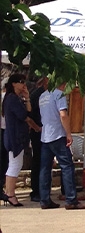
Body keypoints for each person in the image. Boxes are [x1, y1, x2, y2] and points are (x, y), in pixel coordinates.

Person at [39, 83, 85, 210]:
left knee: (45, 168)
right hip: (57, 135)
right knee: (67, 166)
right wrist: (68, 133)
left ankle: (44, 199)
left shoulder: (43, 96)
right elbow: (63, 115)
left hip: (45, 135)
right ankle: (71, 200)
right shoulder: (59, 94)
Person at [4, 74, 40, 207]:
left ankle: (9, 193)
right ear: (13, 84)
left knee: (15, 164)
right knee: (14, 165)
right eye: (20, 82)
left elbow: (28, 112)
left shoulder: (16, 98)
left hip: (17, 135)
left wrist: (27, 98)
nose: (23, 84)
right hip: (15, 136)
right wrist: (36, 128)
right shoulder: (12, 99)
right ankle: (10, 194)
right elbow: (26, 117)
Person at [27, 76, 48, 203]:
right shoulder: (37, 95)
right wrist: (37, 128)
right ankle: (36, 191)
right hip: (38, 132)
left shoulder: (43, 94)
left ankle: (41, 190)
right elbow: (30, 116)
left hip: (43, 131)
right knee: (38, 161)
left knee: (42, 161)